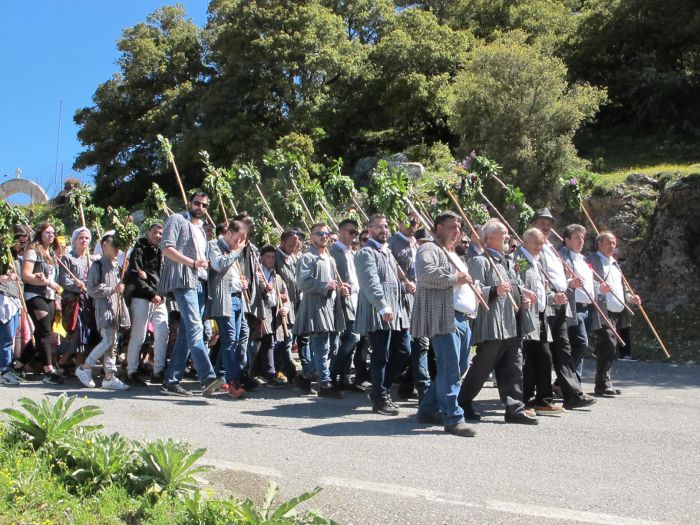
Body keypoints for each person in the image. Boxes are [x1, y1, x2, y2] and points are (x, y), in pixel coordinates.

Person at [457, 219, 539, 425]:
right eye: (503, 232)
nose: (507, 235)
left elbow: (514, 285)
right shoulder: (479, 261)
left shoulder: (508, 261)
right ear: (490, 238)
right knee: (483, 366)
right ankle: (462, 402)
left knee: (513, 365)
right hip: (493, 323)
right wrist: (494, 290)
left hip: (511, 322)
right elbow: (474, 289)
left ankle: (514, 408)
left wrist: (523, 293)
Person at [413, 211, 478, 437]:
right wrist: (454, 279)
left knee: (457, 367)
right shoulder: (428, 249)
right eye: (452, 227)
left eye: (459, 227)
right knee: (450, 368)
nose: (457, 231)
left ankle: (428, 408)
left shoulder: (455, 254)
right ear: (438, 229)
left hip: (462, 318)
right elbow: (426, 274)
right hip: (444, 316)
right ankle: (453, 418)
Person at [158, 192, 224, 397]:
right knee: (196, 328)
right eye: (197, 203)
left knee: (188, 333)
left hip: (201, 282)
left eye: (205, 205)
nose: (201, 208)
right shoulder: (177, 219)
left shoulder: (202, 229)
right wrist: (192, 263)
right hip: (184, 279)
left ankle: (171, 381)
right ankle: (208, 376)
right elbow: (166, 248)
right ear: (189, 203)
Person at [531, 208, 596, 410]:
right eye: (542, 222)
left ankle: (572, 394)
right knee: (542, 353)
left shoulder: (550, 247)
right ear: (533, 224)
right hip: (545, 303)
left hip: (560, 302)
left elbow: (557, 275)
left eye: (549, 223)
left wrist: (568, 282)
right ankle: (536, 395)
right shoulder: (533, 246)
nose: (547, 226)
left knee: (564, 351)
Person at [355, 214, 411, 415]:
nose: (384, 230)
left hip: (396, 311)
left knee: (404, 350)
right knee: (380, 356)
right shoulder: (365, 253)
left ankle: (381, 390)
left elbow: (393, 280)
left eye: (386, 226)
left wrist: (406, 285)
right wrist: (382, 305)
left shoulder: (387, 252)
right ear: (369, 230)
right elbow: (370, 282)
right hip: (378, 311)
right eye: (379, 227)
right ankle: (380, 397)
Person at [515, 228, 566, 415]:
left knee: (544, 357)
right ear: (525, 241)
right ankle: (524, 400)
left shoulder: (538, 260)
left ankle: (544, 400)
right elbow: (516, 283)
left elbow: (541, 287)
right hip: (527, 316)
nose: (540, 246)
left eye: (542, 243)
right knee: (527, 360)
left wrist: (553, 297)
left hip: (541, 315)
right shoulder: (518, 258)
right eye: (536, 242)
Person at [293, 222, 346, 398]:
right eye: (319, 234)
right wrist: (324, 285)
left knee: (333, 347)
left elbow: (333, 283)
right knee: (321, 346)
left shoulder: (330, 258)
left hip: (330, 307)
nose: (324, 237)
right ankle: (325, 383)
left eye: (326, 234)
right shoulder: (307, 257)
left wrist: (340, 288)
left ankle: (306, 376)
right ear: (312, 236)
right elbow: (303, 283)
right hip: (315, 306)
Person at [587, 231, 641, 397]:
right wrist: (598, 289)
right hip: (601, 309)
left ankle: (604, 382)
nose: (612, 246)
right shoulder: (591, 261)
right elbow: (587, 281)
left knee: (612, 347)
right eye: (608, 242)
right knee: (609, 344)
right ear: (599, 244)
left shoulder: (615, 264)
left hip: (617, 310)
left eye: (614, 243)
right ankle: (603, 383)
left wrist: (630, 298)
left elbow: (621, 288)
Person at [75, 234, 129, 390]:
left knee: (113, 342)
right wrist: (113, 289)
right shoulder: (97, 265)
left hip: (116, 308)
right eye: (114, 245)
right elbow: (91, 289)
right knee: (107, 340)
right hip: (104, 308)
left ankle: (109, 376)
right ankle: (85, 367)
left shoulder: (117, 265)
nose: (117, 248)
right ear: (105, 245)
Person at [16, 222, 63, 384]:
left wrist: (54, 292)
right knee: (44, 332)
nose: (51, 235)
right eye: (48, 232)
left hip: (49, 296)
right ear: (40, 234)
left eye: (53, 233)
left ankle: (18, 366)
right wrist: (45, 282)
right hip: (34, 295)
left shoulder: (49, 253)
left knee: (40, 334)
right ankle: (48, 370)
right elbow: (26, 275)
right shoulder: (32, 250)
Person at [388, 213, 428, 401]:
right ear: (399, 220)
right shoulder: (391, 243)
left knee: (419, 345)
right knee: (402, 348)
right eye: (409, 220)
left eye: (415, 221)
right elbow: (387, 271)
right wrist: (402, 283)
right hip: (399, 302)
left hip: (418, 300)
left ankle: (416, 385)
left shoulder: (416, 243)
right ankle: (384, 384)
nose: (412, 224)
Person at [123, 222, 168, 386]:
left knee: (163, 331)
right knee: (139, 335)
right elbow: (135, 275)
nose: (158, 235)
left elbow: (160, 275)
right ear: (148, 233)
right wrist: (151, 293)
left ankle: (159, 370)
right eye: (155, 232)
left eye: (160, 233)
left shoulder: (162, 252)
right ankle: (131, 371)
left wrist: (160, 293)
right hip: (142, 297)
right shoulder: (139, 250)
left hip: (159, 297)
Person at [207, 220, 246, 398]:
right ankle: (233, 381)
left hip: (237, 298)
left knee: (235, 340)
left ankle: (219, 375)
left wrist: (242, 283)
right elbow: (219, 265)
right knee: (230, 340)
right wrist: (236, 252)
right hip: (224, 299)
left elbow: (233, 277)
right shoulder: (214, 245)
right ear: (228, 234)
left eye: (241, 241)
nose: (238, 243)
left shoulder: (233, 251)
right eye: (237, 239)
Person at [328, 219, 364, 392]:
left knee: (352, 339)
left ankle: (343, 376)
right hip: (343, 301)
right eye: (351, 232)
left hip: (356, 299)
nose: (354, 236)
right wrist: (339, 286)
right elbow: (329, 276)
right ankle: (331, 374)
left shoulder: (352, 252)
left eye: (355, 233)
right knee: (352, 337)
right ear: (341, 231)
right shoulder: (333, 252)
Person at [559, 224, 598, 381]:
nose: (581, 241)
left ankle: (574, 382)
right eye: (577, 237)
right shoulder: (561, 256)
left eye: (582, 237)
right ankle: (567, 381)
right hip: (573, 307)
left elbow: (590, 281)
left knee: (579, 346)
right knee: (581, 343)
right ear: (567, 240)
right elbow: (561, 279)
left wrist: (599, 288)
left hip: (588, 307)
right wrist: (570, 282)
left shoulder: (584, 259)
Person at [58, 227, 96, 373]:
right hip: (73, 301)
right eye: (81, 238)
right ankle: (62, 361)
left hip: (87, 301)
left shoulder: (90, 259)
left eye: (86, 238)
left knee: (85, 333)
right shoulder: (68, 257)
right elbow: (63, 280)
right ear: (75, 240)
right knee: (77, 332)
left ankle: (78, 365)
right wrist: (77, 286)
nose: (84, 240)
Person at [254, 245, 290, 388]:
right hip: (261, 311)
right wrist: (264, 288)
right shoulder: (257, 274)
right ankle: (270, 373)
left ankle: (256, 370)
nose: (270, 260)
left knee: (269, 342)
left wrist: (285, 307)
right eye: (268, 257)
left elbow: (285, 296)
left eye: (273, 257)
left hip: (274, 311)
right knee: (267, 341)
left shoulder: (277, 276)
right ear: (261, 258)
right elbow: (256, 291)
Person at [274, 229, 302, 383]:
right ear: (283, 242)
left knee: (290, 337)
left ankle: (285, 368)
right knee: (284, 338)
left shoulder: (294, 259)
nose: (293, 247)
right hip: (281, 304)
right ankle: (279, 369)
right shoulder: (276, 257)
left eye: (295, 244)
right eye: (290, 244)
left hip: (295, 304)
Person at [0, 231, 24, 385]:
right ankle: (4, 370)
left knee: (11, 337)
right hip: (4, 298)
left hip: (15, 299)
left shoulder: (16, 258)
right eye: (21, 242)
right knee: (6, 337)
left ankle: (7, 368)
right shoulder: (3, 257)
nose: (23, 245)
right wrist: (5, 278)